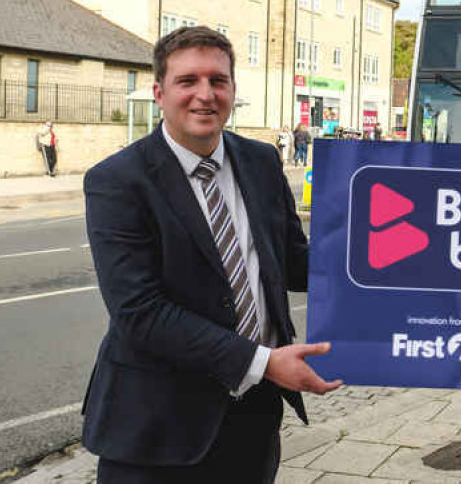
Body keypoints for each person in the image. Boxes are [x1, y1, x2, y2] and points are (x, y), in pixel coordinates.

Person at [81, 26, 341, 484]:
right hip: (157, 427)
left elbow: (292, 263)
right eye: (188, 81)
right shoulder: (118, 180)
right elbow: (139, 312)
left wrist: (375, 264)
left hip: (253, 419)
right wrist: (262, 362)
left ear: (233, 91)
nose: (205, 95)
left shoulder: (260, 161)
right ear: (160, 93)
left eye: (218, 81)